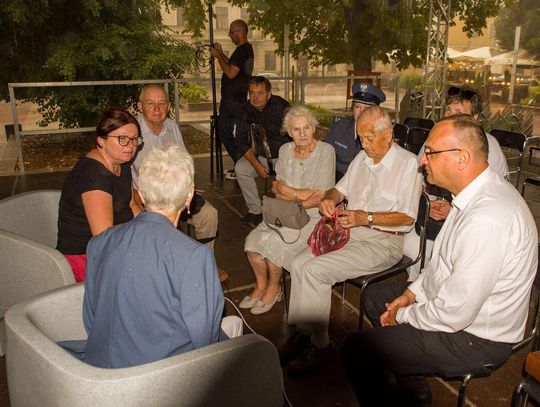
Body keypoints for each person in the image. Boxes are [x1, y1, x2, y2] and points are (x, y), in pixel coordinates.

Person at [340, 114, 538, 406]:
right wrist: (410, 294)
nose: (421, 160)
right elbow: (441, 265)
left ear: (461, 158)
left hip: (475, 338)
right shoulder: (470, 195)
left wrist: (402, 315)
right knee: (376, 296)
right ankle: (413, 386)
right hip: (458, 312)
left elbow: (453, 312)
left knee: (357, 349)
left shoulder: (487, 219)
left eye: (430, 152)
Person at [279, 106, 423, 375]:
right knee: (298, 262)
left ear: (389, 134)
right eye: (361, 138)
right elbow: (339, 188)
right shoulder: (363, 158)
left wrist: (364, 217)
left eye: (369, 138)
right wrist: (329, 199)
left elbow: (407, 218)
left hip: (383, 242)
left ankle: (321, 346)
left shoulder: (408, 165)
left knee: (314, 270)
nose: (364, 145)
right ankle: (303, 331)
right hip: (350, 231)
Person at [79, 146, 242, 369]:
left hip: (99, 370)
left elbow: (91, 318)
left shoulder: (99, 242)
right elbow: (205, 340)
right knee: (240, 333)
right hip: (161, 378)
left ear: (141, 195)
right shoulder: (194, 255)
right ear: (189, 196)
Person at [404, 86, 509, 281]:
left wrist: (452, 210)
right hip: (434, 204)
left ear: (476, 118)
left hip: (468, 217)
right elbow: (417, 175)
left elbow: (489, 199)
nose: (449, 117)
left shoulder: (488, 148)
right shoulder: (435, 138)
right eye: (448, 111)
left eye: (458, 113)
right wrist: (426, 201)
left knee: (431, 250)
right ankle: (417, 288)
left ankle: (428, 292)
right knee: (409, 240)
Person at [240, 105, 335, 315]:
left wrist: (290, 191)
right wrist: (300, 195)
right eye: (296, 129)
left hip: (312, 219)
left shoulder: (326, 152)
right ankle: (261, 285)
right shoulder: (284, 151)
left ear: (314, 128)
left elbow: (321, 196)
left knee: (272, 245)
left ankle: (275, 289)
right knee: (252, 245)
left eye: (306, 128)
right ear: (288, 132)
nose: (302, 134)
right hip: (282, 212)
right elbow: (277, 192)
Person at [132, 84, 227, 281]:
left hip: (176, 195)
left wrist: (188, 185)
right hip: (144, 200)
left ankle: (204, 264)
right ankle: (163, 275)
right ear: (140, 106)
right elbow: (122, 171)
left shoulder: (172, 127)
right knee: (158, 231)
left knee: (210, 215)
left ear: (168, 106)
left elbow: (184, 161)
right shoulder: (132, 133)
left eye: (162, 103)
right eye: (151, 103)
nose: (157, 108)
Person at [57, 109, 142, 282]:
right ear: (101, 140)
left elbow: (132, 206)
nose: (131, 146)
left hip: (116, 244)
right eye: (122, 139)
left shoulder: (121, 162)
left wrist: (153, 229)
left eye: (134, 139)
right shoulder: (94, 176)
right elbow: (104, 239)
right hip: (86, 257)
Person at [235, 76, 291, 224]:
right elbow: (240, 141)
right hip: (261, 156)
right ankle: (255, 210)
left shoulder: (282, 107)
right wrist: (257, 166)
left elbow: (294, 135)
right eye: (252, 93)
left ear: (269, 94)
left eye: (260, 93)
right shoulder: (245, 110)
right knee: (241, 168)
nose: (255, 97)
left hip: (284, 156)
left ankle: (289, 211)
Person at [209, 19, 254, 169]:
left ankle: (242, 165)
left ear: (240, 32)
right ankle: (243, 164)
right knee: (237, 135)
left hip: (232, 100)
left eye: (231, 32)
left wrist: (217, 56)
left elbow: (230, 72)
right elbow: (233, 65)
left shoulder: (243, 50)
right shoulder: (245, 49)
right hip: (238, 99)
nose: (229, 35)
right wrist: (221, 53)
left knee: (224, 133)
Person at [325, 82, 386, 181]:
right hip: (337, 181)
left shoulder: (382, 134)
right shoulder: (339, 126)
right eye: (357, 107)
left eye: (366, 108)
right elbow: (325, 156)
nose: (361, 112)